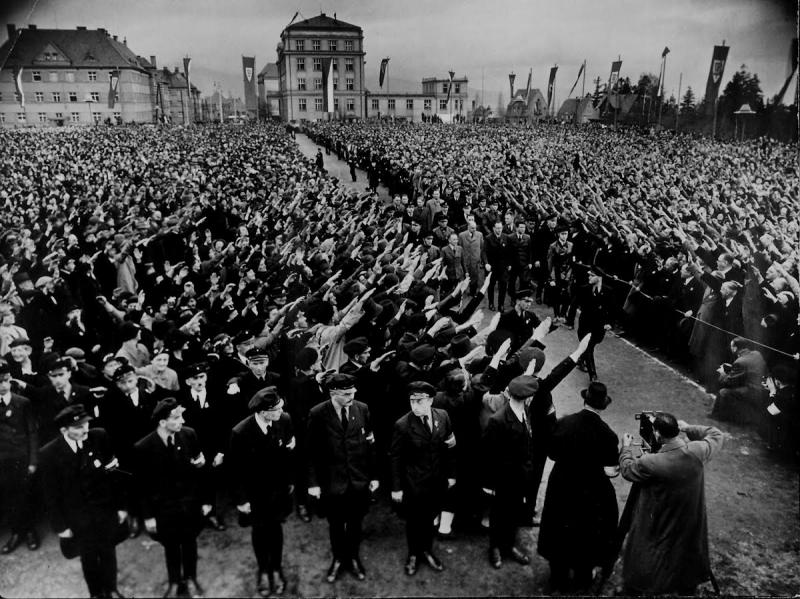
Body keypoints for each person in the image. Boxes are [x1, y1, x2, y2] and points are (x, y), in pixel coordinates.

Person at [619, 412, 724, 595]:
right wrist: (687, 427)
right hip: (689, 518)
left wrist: (626, 448)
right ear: (676, 430)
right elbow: (716, 434)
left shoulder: (650, 462)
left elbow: (628, 470)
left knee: (648, 547)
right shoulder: (697, 451)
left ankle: (638, 584)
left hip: (663, 518)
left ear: (657, 434)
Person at [537, 381, 619, 592]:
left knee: (558, 527)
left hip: (562, 485)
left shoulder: (564, 424)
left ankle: (557, 577)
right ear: (603, 406)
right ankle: (583, 577)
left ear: (585, 400)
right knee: (585, 532)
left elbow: (552, 454)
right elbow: (611, 469)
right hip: (590, 490)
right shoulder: (608, 434)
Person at [39, 404, 127, 599]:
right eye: (78, 427)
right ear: (64, 430)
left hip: (104, 510)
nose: (85, 430)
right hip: (77, 517)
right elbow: (50, 495)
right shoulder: (49, 453)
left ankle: (111, 589)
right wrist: (60, 526)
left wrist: (121, 506)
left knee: (108, 551)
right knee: (88, 556)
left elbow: (115, 476)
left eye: (86, 424)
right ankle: (96, 594)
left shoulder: (99, 437)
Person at [306, 373, 379, 583]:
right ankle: (338, 558)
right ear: (333, 393)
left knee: (356, 522)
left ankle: (353, 557)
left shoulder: (362, 409)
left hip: (358, 479)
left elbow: (370, 445)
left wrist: (373, 475)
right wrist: (313, 483)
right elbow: (310, 452)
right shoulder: (318, 413)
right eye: (347, 393)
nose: (352, 396)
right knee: (336, 524)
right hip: (332, 482)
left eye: (353, 391)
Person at [134, 398, 206, 598]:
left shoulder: (189, 435)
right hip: (164, 509)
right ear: (162, 422)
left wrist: (206, 500)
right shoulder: (144, 447)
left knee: (190, 543)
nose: (182, 421)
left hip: (189, 505)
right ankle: (175, 581)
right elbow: (142, 487)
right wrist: (148, 516)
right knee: (171, 546)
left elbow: (201, 470)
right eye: (176, 418)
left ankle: (190, 579)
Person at [229, 386, 295, 597]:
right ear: (263, 411)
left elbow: (289, 450)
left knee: (276, 529)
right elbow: (234, 469)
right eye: (276, 409)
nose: (281, 411)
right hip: (254, 493)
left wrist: (290, 480)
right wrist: (241, 499)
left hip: (278, 490)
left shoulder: (284, 420)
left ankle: (276, 568)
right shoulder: (241, 432)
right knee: (259, 531)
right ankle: (263, 570)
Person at [390, 381, 456, 576]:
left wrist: (452, 475)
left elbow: (450, 447)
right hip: (414, 484)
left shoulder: (442, 416)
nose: (415, 406)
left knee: (429, 518)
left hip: (437, 481)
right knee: (414, 521)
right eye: (412, 401)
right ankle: (413, 555)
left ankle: (427, 550)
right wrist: (396, 487)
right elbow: (395, 458)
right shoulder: (402, 425)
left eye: (420, 402)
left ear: (431, 400)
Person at [481, 375, 541, 570]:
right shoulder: (498, 420)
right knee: (499, 514)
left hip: (520, 477)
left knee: (514, 513)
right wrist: (489, 484)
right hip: (503, 479)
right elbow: (488, 454)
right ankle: (495, 548)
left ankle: (509, 545)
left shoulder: (526, 412)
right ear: (527, 397)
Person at [0, 361, 39, 553]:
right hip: (2, 461)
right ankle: (17, 532)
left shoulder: (22, 402)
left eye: (6, 380)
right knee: (9, 497)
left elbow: (32, 432)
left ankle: (30, 531)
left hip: (21, 457)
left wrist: (33, 461)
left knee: (26, 494)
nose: (3, 385)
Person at [711, 337, 768, 425]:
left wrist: (722, 373)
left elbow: (728, 382)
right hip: (761, 386)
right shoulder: (757, 354)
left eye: (731, 346)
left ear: (735, 348)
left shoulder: (740, 361)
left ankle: (717, 416)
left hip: (752, 390)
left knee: (723, 392)